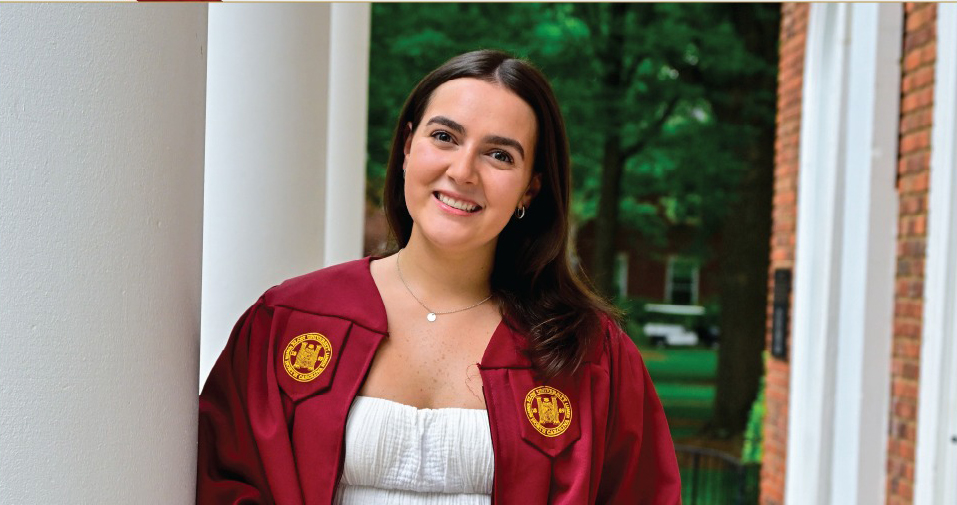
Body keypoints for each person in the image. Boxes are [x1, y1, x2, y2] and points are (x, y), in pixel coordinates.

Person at [197, 49, 681, 505]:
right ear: (408, 146)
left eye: (500, 155)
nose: (463, 171)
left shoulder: (586, 355)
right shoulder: (289, 321)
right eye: (445, 137)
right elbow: (222, 480)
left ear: (530, 190)